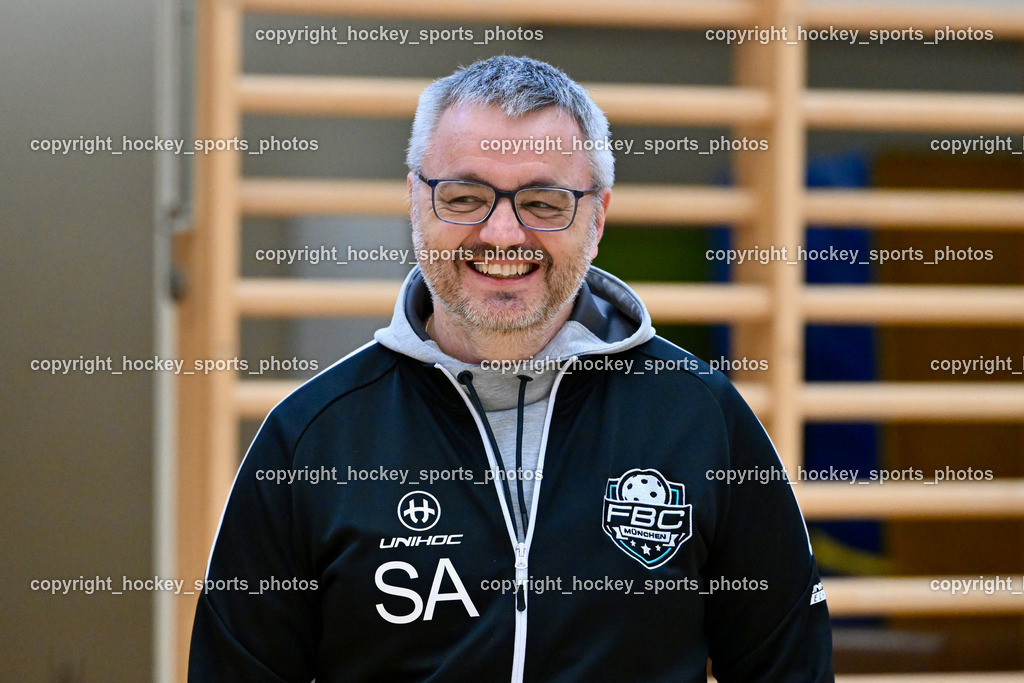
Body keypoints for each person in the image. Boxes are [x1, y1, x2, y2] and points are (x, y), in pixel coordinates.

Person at [189, 55, 833, 681]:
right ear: (415, 199)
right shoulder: (309, 438)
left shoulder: (701, 418)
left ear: (598, 216)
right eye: (465, 197)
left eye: (544, 203)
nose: (503, 235)